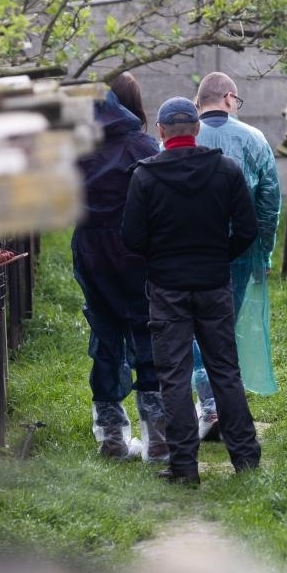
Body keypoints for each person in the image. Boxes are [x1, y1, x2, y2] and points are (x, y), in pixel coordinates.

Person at [121, 96, 262, 484]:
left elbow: (131, 237)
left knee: (175, 376)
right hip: (214, 285)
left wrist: (160, 258)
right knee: (225, 372)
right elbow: (248, 230)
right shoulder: (227, 171)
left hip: (167, 289)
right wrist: (220, 255)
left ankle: (184, 467)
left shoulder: (145, 177)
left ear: (161, 132)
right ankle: (246, 461)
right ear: (198, 129)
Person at [71, 73, 169, 461]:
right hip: (137, 252)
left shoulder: (78, 147)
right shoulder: (143, 145)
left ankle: (111, 436)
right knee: (148, 332)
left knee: (105, 334)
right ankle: (158, 437)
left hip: (91, 252)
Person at [191, 72, 282, 438]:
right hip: (240, 253)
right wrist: (264, 251)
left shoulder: (183, 137)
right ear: (229, 98)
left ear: (200, 103)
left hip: (187, 253)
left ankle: (208, 406)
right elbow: (270, 203)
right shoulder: (254, 139)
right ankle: (225, 405)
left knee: (193, 328)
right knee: (224, 326)